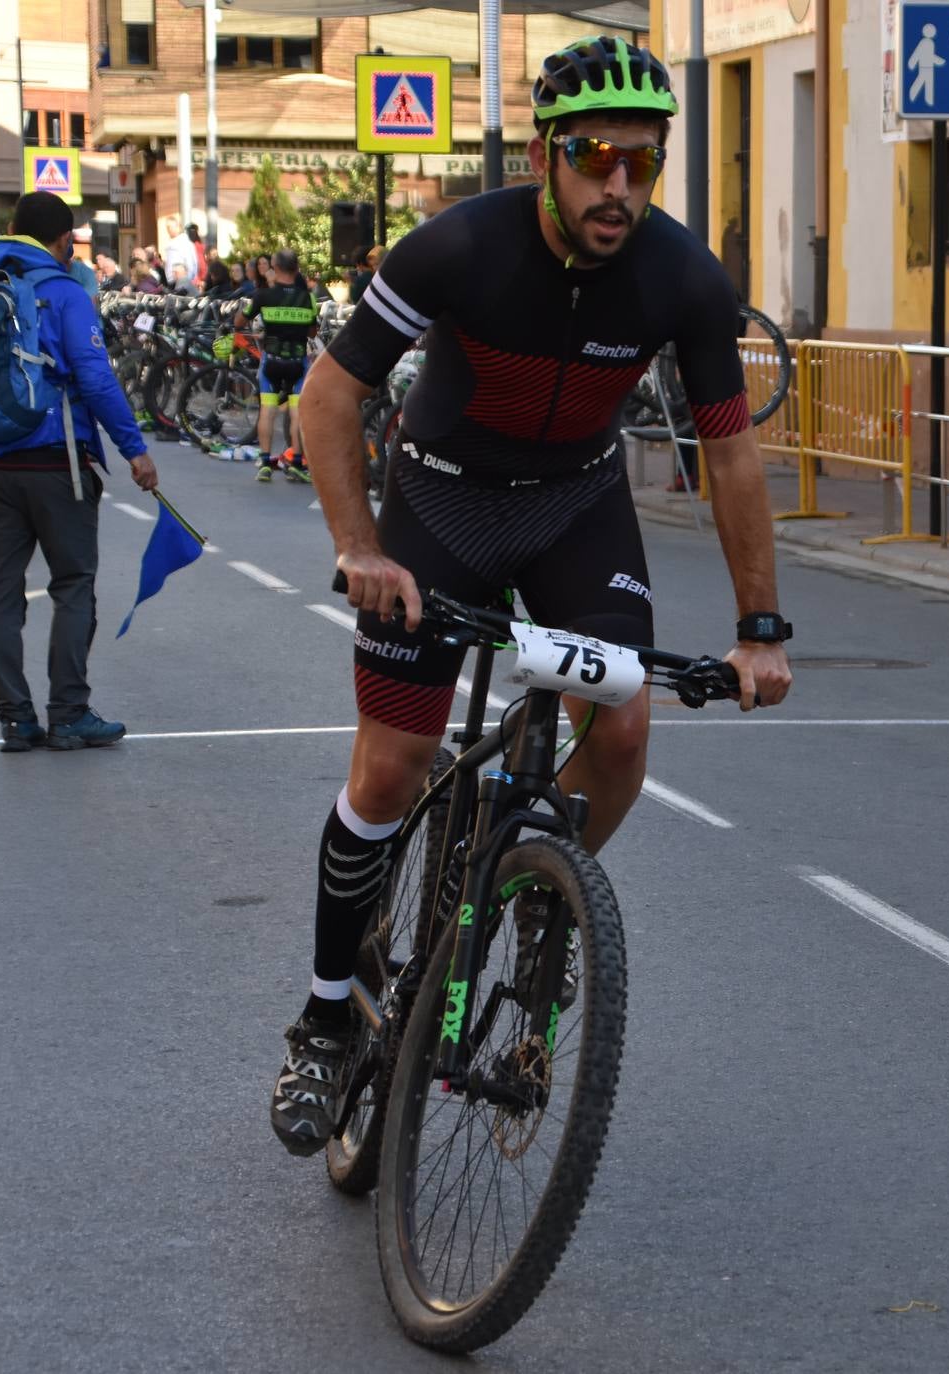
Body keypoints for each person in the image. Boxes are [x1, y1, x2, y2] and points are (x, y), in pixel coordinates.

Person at [269, 36, 795, 1155]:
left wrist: (759, 629)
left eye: (643, 165)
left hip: (573, 510)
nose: (620, 187)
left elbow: (732, 456)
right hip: (443, 507)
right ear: (550, 153)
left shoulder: (683, 278)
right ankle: (322, 1019)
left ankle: (527, 887)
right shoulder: (459, 245)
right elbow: (329, 398)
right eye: (598, 158)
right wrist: (361, 548)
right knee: (388, 770)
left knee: (624, 731)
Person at [0, 193, 157, 753]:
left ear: (12, 231)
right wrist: (133, 449)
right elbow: (95, 379)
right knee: (72, 584)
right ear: (65, 241)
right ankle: (68, 713)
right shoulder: (65, 293)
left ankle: (15, 720)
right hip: (56, 460)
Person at [238, 247, 317, 481]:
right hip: (297, 362)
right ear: (297, 268)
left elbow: (240, 319)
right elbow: (313, 332)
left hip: (271, 361)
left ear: (275, 267)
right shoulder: (308, 298)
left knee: (268, 410)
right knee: (297, 412)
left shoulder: (263, 296)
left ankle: (264, 463)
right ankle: (295, 464)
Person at [162, 217, 198, 294]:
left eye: (170, 227)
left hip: (182, 282)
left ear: (178, 227)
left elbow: (192, 263)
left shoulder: (184, 242)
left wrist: (187, 279)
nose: (169, 229)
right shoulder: (170, 243)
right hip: (171, 281)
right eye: (167, 227)